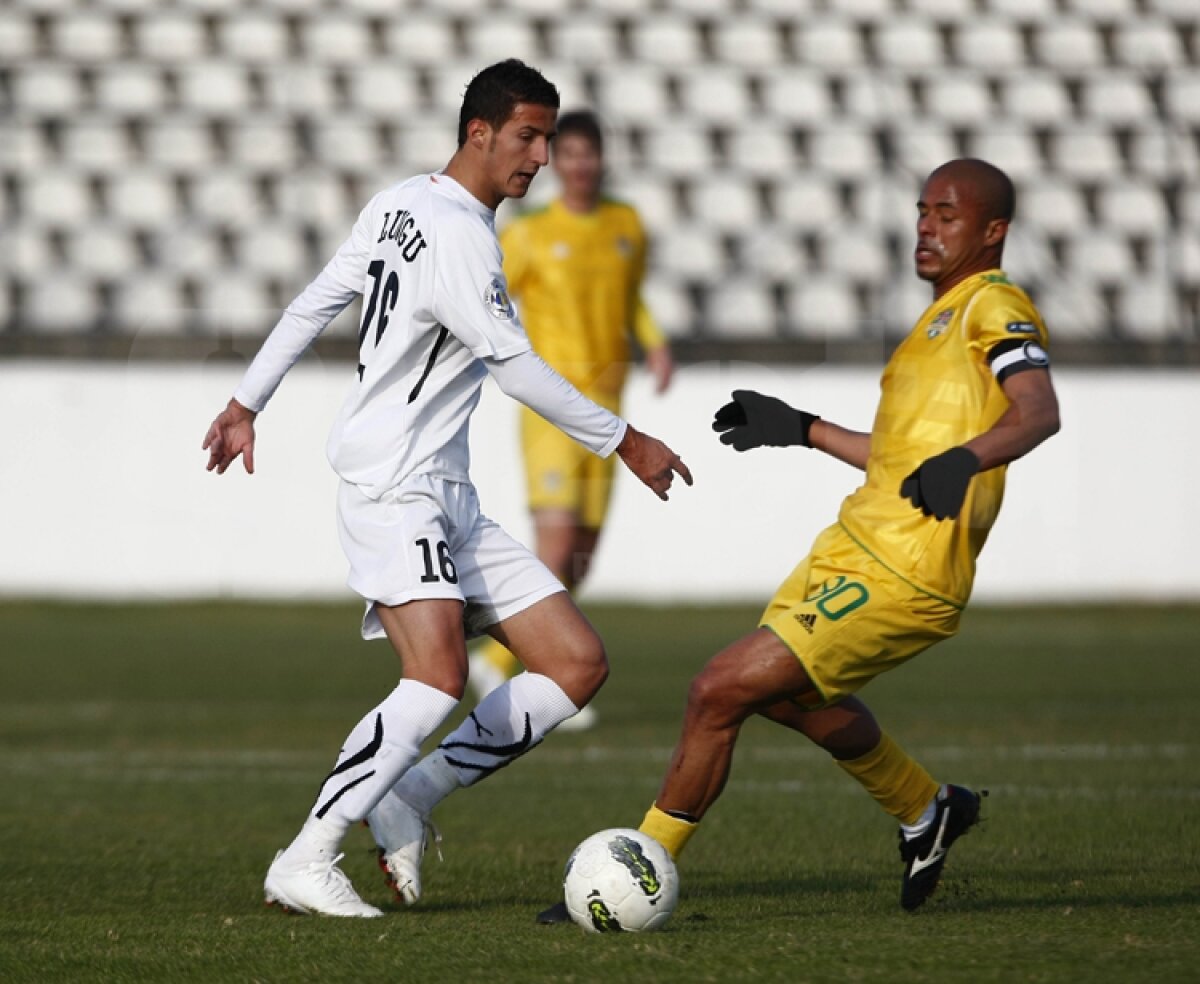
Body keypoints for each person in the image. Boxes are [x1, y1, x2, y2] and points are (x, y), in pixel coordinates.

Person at [202, 59, 691, 918]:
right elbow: (514, 368)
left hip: (444, 489)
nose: (540, 156)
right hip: (396, 481)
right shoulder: (463, 234)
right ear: (479, 131)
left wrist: (248, 401)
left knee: (576, 663)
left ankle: (410, 793)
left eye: (547, 137)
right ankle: (307, 857)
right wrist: (628, 440)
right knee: (431, 677)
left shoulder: (400, 202)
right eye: (528, 136)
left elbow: (315, 301)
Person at [539, 157, 1061, 921]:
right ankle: (926, 807)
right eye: (922, 210)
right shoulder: (934, 324)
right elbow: (897, 456)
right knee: (782, 698)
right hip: (854, 543)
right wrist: (801, 429)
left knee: (717, 689)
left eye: (948, 215)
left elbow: (1039, 411)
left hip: (909, 568)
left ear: (993, 230)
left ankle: (638, 869)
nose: (926, 226)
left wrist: (968, 458)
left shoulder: (995, 306)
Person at [469, 109, 675, 731]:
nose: (581, 165)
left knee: (581, 558)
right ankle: (526, 670)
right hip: (554, 410)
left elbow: (631, 294)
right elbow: (489, 295)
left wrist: (655, 342)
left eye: (591, 153)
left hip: (611, 411)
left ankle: (502, 664)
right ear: (559, 161)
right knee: (555, 546)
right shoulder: (530, 232)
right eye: (571, 153)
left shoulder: (625, 224)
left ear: (602, 159)